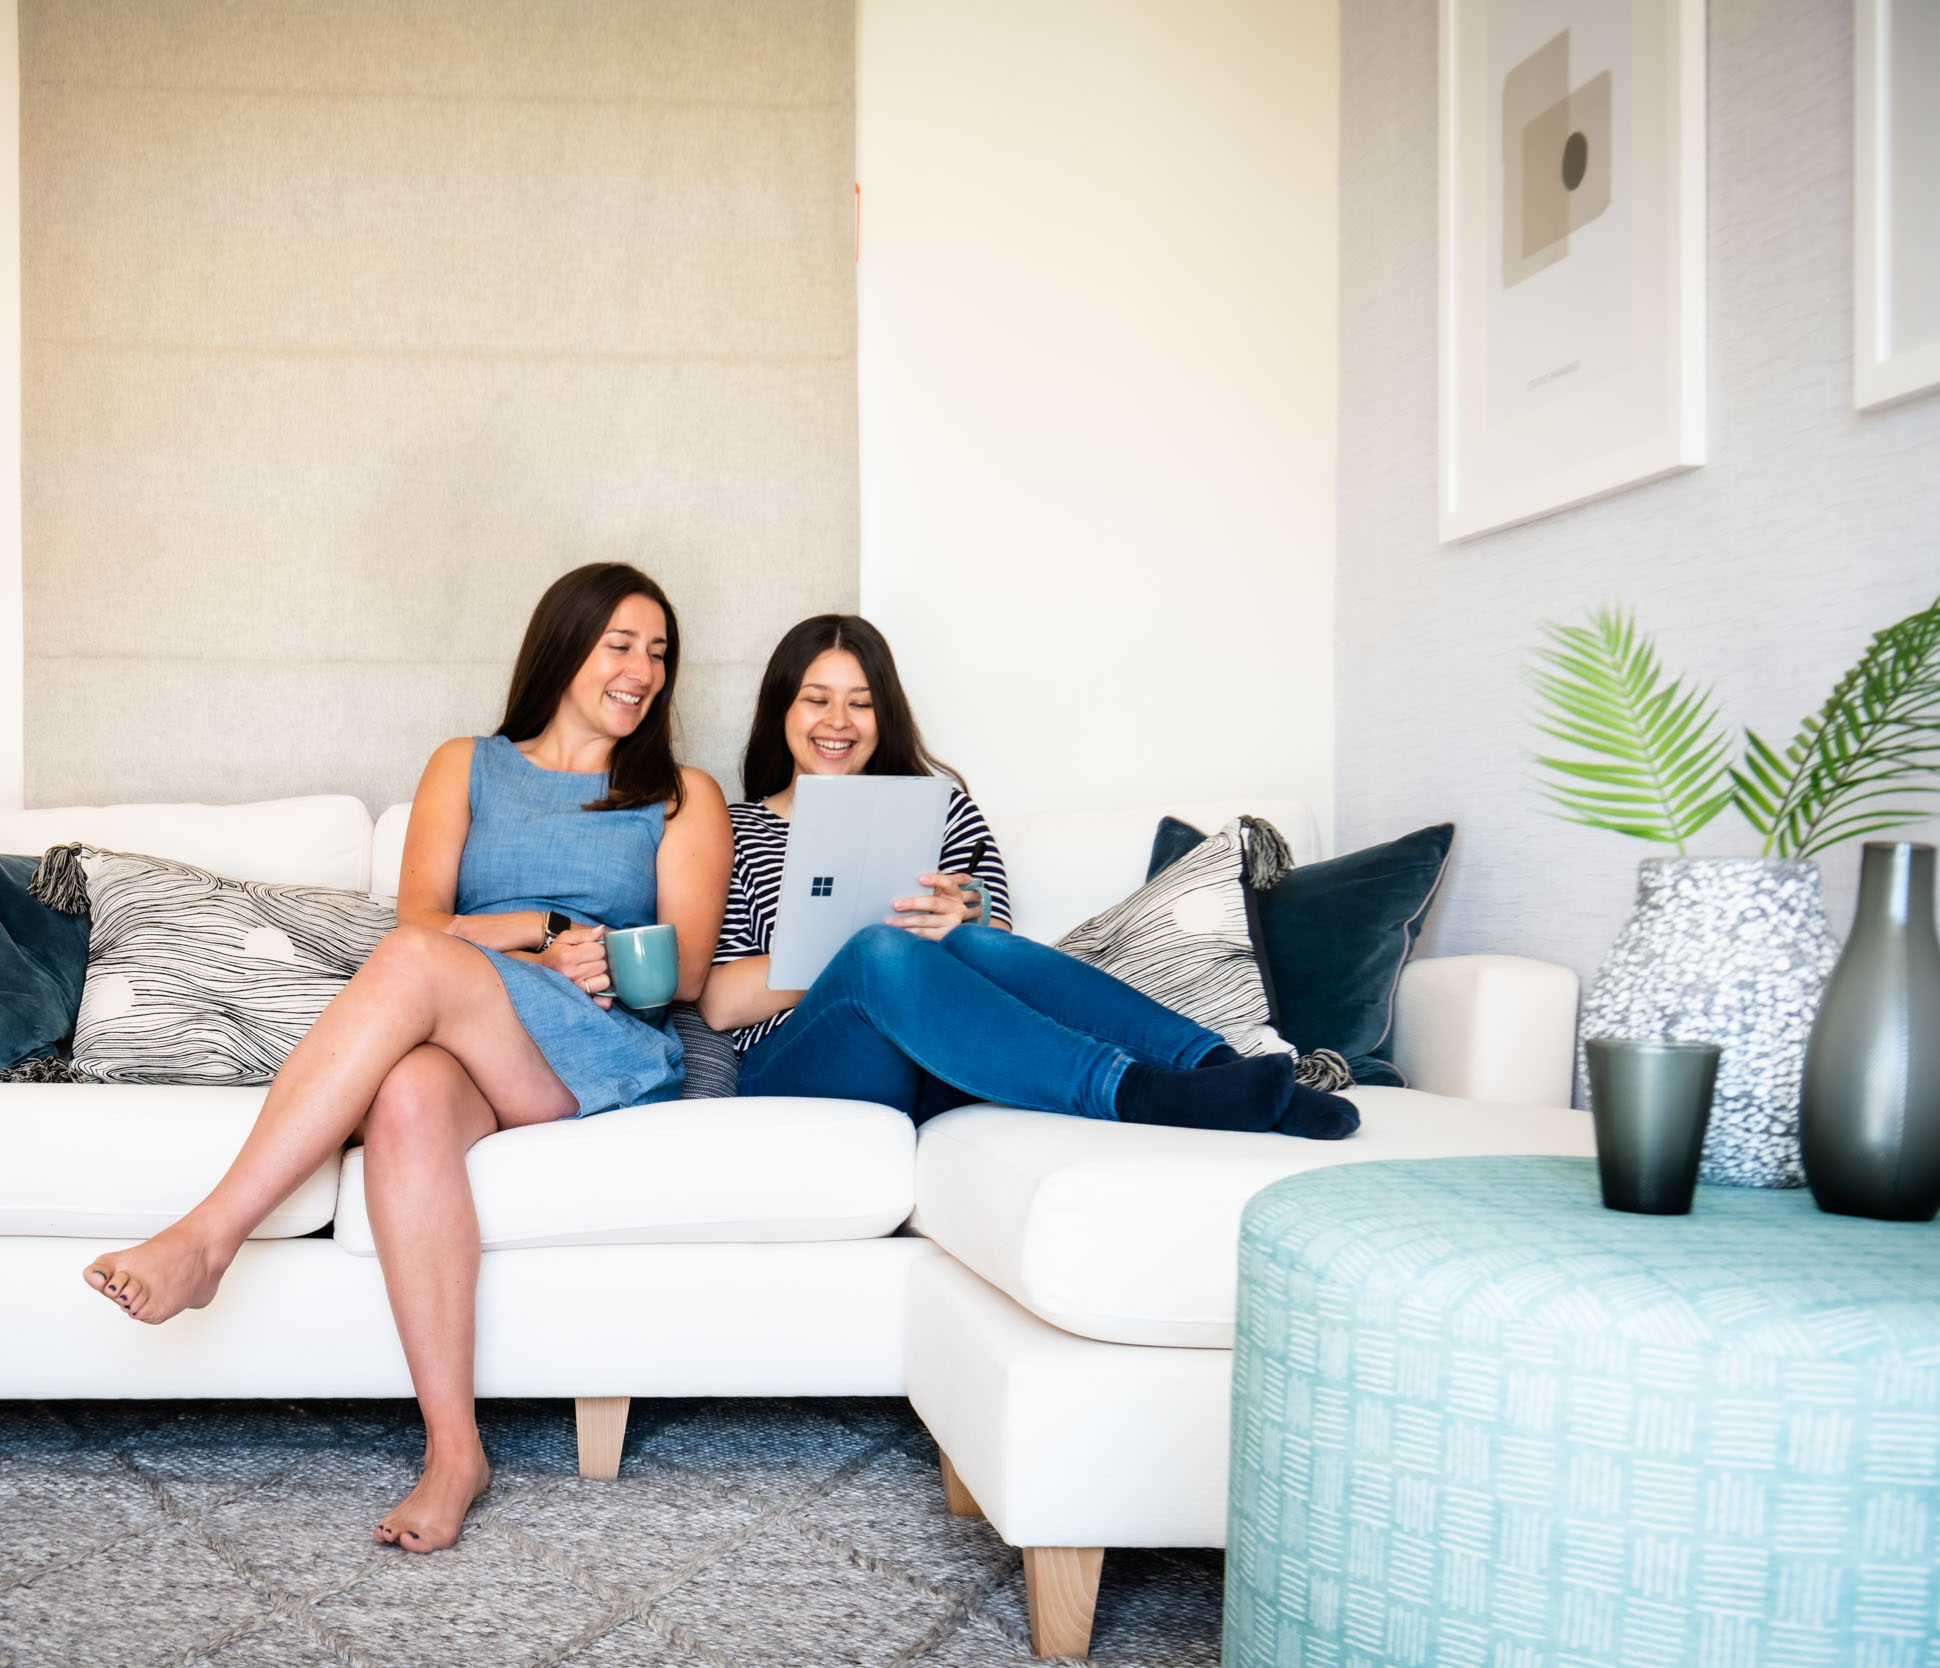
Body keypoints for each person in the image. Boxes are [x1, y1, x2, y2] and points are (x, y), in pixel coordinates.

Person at [84, 563, 730, 1554]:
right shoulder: (464, 765)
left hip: (596, 1043)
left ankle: (209, 1237)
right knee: (409, 1097)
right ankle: (453, 1452)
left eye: (658, 652)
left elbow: (682, 973)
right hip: (482, 1028)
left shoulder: (678, 793)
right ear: (564, 648)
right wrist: (542, 927)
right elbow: (423, 918)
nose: (642, 669)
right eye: (620, 644)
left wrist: (582, 951)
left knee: (415, 968)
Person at [698, 614, 1356, 1137]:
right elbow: (722, 1001)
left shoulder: (939, 807)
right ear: (781, 708)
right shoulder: (735, 828)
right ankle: (1136, 1091)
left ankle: (1230, 1075)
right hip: (803, 1059)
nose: (838, 722)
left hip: (947, 1059)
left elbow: (997, 959)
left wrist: (965, 915)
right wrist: (858, 948)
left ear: (884, 715)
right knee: (879, 948)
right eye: (817, 700)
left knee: (968, 941)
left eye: (861, 703)